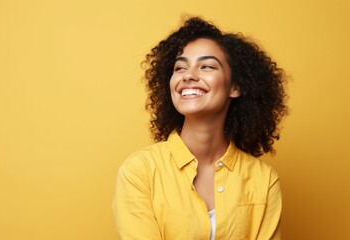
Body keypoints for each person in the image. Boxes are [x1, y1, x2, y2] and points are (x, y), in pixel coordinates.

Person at [113, 17, 288, 240]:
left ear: (235, 86)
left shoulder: (264, 180)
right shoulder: (140, 172)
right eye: (180, 67)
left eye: (206, 66)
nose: (188, 75)